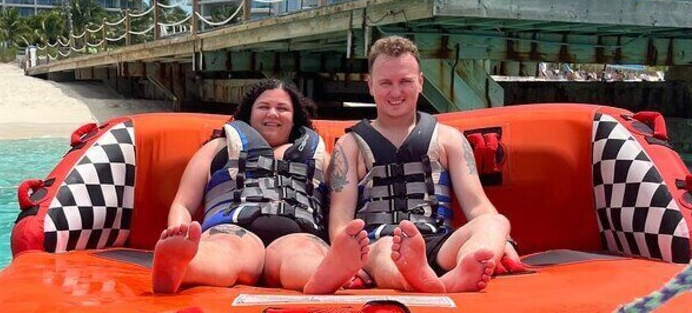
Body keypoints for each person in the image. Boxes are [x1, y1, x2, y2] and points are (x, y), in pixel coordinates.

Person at [328, 37, 525, 293]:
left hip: (437, 242)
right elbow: (340, 221)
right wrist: (348, 261)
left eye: (405, 81)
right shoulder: (349, 145)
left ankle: (461, 269)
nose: (396, 92)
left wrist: (502, 241)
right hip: (379, 243)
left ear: (420, 82)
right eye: (386, 83)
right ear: (370, 86)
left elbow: (477, 206)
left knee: (496, 222)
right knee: (387, 250)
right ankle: (424, 282)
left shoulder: (450, 139)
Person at [152, 79, 369, 294]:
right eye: (263, 107)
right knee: (226, 251)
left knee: (303, 253)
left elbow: (344, 200)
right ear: (249, 113)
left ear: (294, 119)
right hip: (233, 228)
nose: (272, 113)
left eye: (282, 108)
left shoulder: (320, 157)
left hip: (298, 232)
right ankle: (182, 265)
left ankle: (324, 275)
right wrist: (179, 233)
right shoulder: (218, 148)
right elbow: (183, 203)